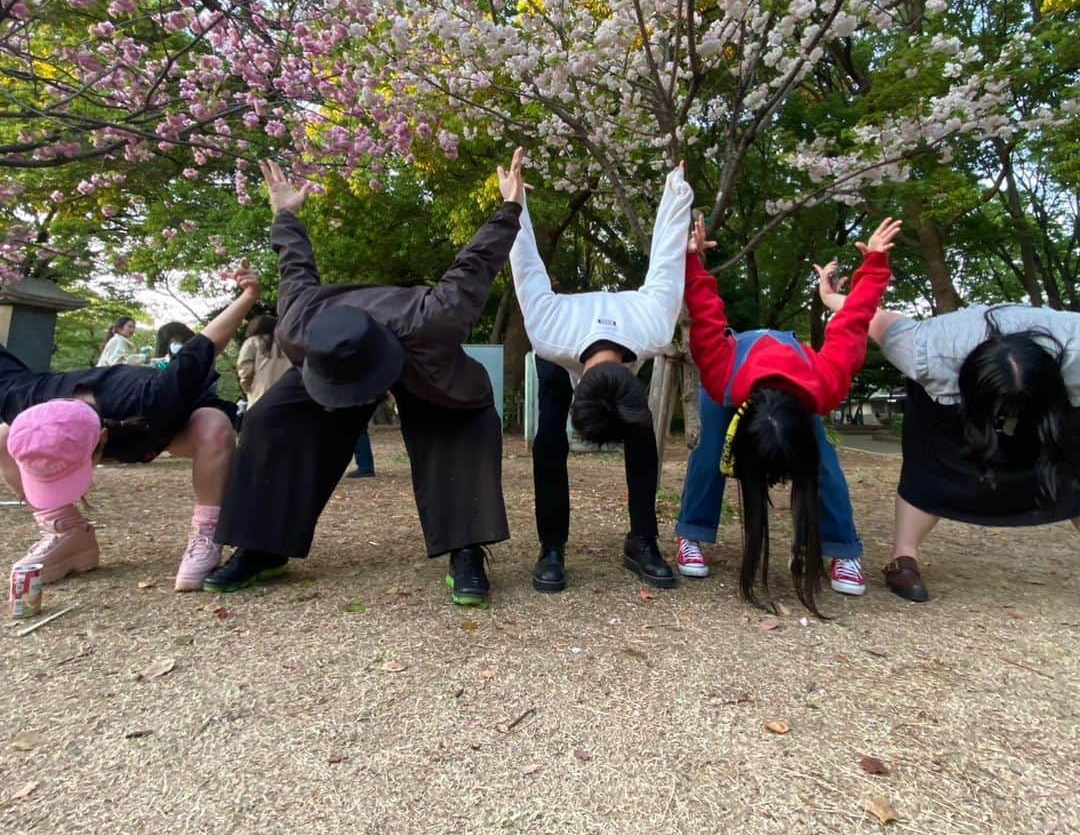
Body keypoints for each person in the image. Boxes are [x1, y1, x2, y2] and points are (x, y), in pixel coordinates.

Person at [204, 153, 526, 605]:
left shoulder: (434, 321)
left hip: (421, 363)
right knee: (272, 419)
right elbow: (295, 266)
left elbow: (477, 262)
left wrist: (510, 206)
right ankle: (262, 546)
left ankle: (466, 549)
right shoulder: (299, 326)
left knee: (459, 427)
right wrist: (284, 213)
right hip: (334, 355)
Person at [682, 215, 901, 613]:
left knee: (825, 464)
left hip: (797, 378)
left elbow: (852, 321)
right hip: (738, 359)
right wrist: (690, 261)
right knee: (710, 451)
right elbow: (706, 312)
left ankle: (842, 548)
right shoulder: (721, 377)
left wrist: (874, 267)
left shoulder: (825, 386)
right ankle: (692, 533)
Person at [817, 274, 1080, 601]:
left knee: (1071, 460)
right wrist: (831, 299)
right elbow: (875, 316)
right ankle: (903, 557)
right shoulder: (926, 349)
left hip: (1057, 401)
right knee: (933, 464)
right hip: (951, 403)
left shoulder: (1076, 350)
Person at [0, 262, 261, 591]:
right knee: (3, 436)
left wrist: (250, 294)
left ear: (100, 445)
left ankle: (207, 532)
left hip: (158, 426)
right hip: (94, 417)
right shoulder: (22, 399)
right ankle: (67, 533)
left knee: (213, 425)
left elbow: (206, 345)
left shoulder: (154, 398)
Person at [510, 162, 694, 592]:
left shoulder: (652, 326)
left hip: (611, 332)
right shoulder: (549, 335)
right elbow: (527, 267)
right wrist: (516, 203)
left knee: (642, 433)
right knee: (550, 436)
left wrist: (677, 189)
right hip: (562, 351)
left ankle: (642, 538)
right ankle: (551, 545)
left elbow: (668, 260)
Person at [236, 315, 292, 408]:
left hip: (261, 395)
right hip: (290, 393)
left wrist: (249, 388)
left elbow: (245, 369)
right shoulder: (288, 341)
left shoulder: (251, 342)